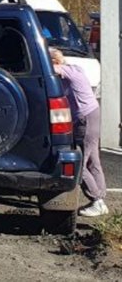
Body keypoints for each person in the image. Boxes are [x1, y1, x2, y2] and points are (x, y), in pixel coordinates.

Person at [49, 48, 108, 217]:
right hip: (93, 114)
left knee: (80, 164)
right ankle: (100, 197)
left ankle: (97, 201)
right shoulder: (76, 69)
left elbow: (50, 69)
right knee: (93, 160)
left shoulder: (64, 70)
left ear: (55, 62)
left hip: (84, 118)